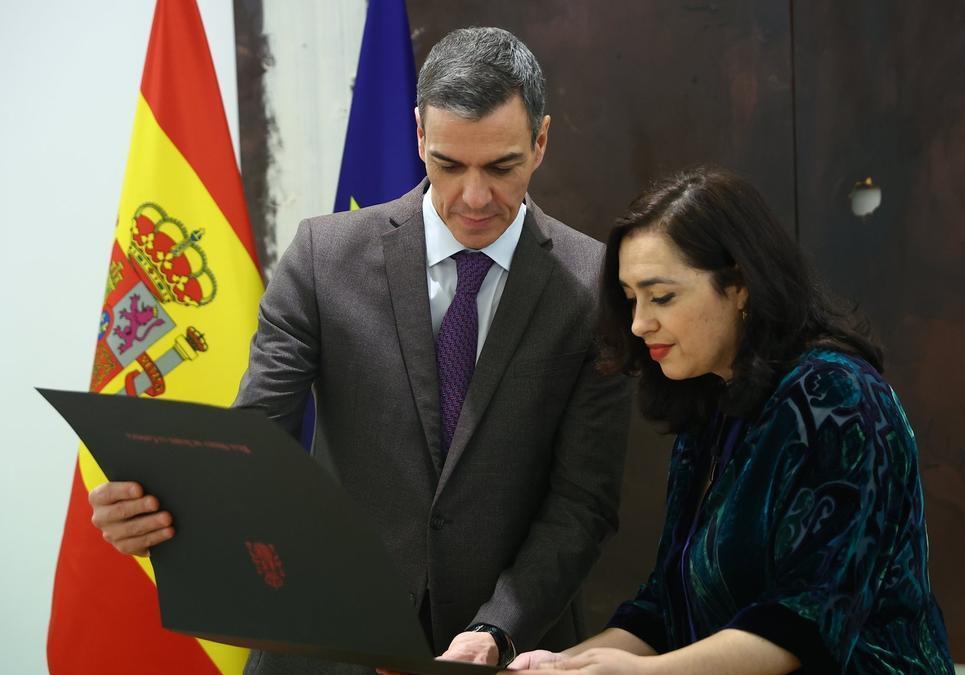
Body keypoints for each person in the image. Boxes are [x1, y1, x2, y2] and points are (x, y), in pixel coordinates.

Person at [86, 27, 632, 673]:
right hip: (323, 639)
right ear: (419, 136)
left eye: (502, 165)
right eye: (450, 164)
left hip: (508, 647)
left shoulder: (596, 285)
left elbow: (582, 501)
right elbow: (255, 445)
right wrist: (158, 510)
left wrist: (496, 628)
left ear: (540, 141)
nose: (475, 197)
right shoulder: (324, 257)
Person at [511, 167, 953, 673]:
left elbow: (803, 620)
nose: (638, 323)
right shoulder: (711, 405)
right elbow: (665, 607)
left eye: (662, 297)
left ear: (740, 284)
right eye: (631, 299)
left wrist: (641, 673)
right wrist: (560, 664)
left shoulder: (838, 397)